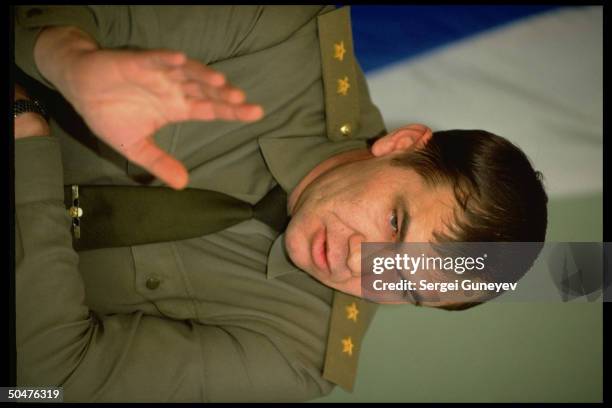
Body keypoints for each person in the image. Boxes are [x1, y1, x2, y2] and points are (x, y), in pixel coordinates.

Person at [13, 5, 548, 402]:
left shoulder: (297, 358)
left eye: (403, 287)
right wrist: (66, 58)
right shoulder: (281, 36)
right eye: (394, 222)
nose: (359, 264)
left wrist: (24, 131)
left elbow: (44, 385)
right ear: (403, 146)